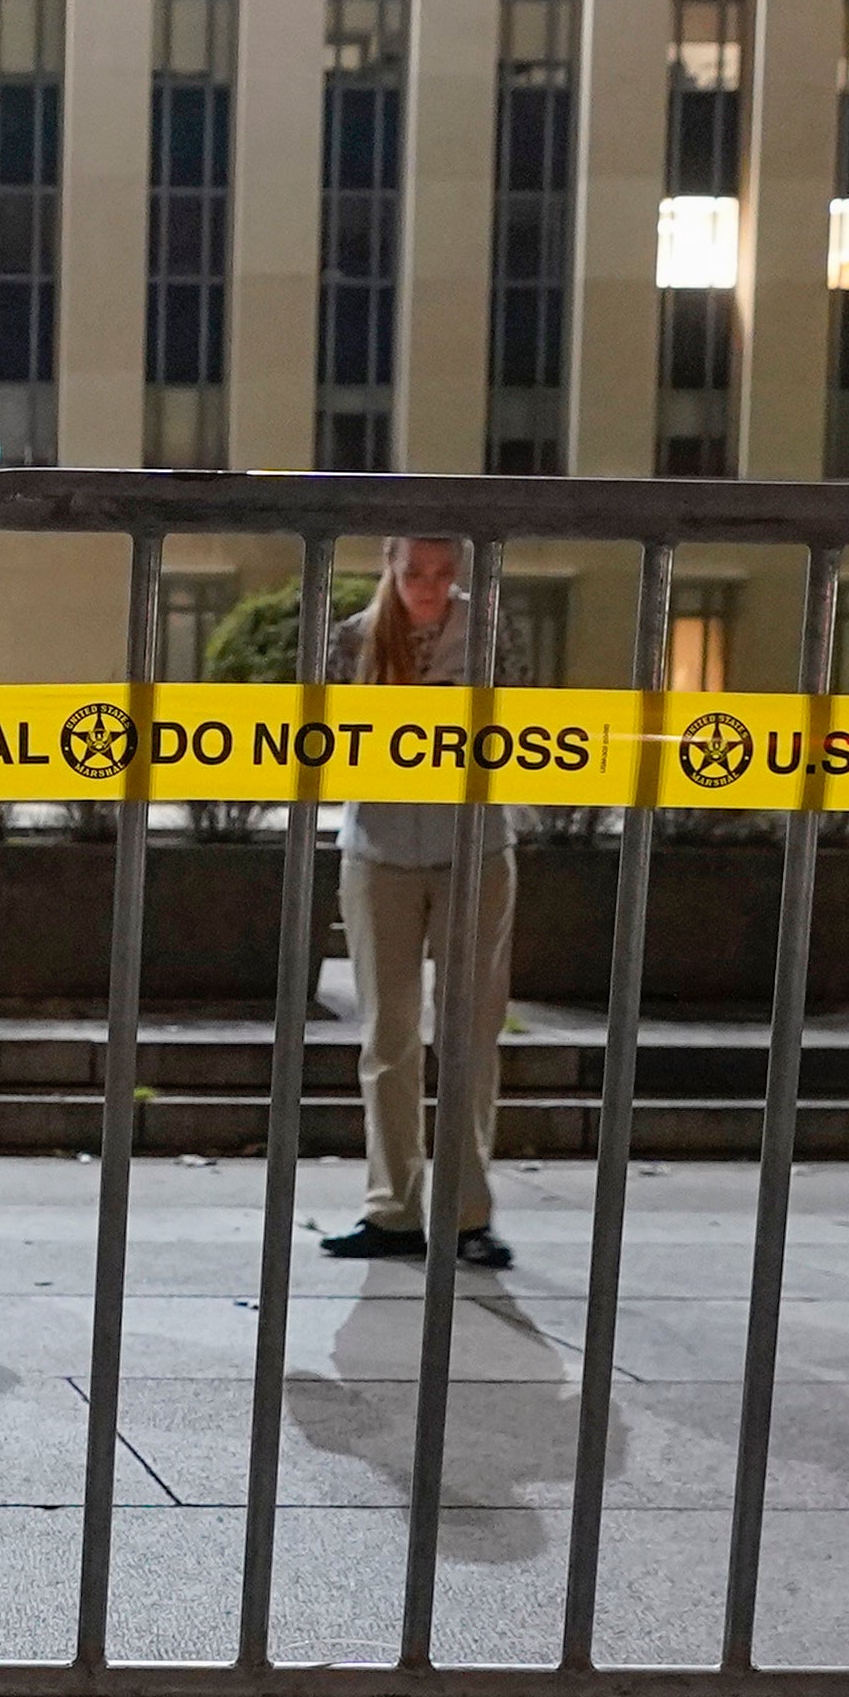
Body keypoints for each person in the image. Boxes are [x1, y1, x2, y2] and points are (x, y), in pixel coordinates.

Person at [322, 537, 526, 1271]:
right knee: (389, 1034)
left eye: (444, 574)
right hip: (379, 849)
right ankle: (393, 1208)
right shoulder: (351, 636)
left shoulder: (492, 626)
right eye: (415, 573)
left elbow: (519, 726)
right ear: (391, 566)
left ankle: (468, 1213)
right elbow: (327, 738)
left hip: (476, 846)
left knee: (471, 1032)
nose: (430, 588)